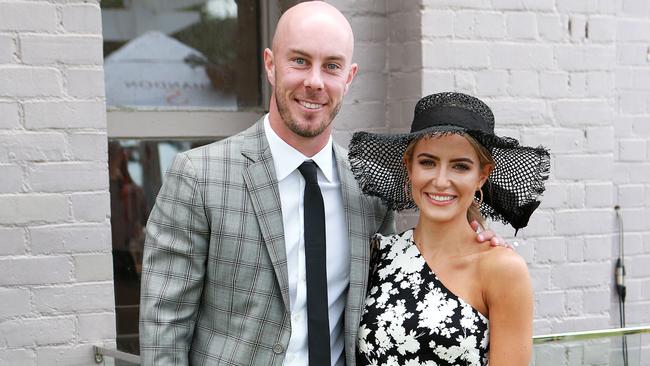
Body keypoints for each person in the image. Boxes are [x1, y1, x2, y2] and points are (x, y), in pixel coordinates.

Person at [139, 3, 502, 365]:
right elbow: (164, 331)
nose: (314, 81)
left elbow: (399, 288)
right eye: (299, 61)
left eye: (331, 66)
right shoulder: (199, 176)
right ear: (270, 64)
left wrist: (475, 248)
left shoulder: (368, 189)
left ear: (349, 76)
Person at [349, 92, 550, 365]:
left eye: (460, 166)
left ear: (482, 175)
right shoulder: (378, 255)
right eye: (428, 162)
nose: (441, 181)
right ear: (409, 168)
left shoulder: (501, 269)